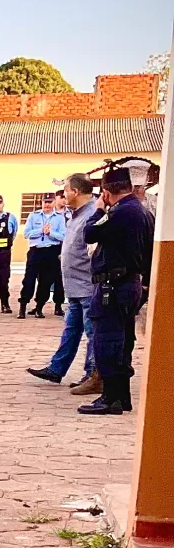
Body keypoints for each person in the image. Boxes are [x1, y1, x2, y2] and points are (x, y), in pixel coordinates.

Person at [79, 166, 155, 416]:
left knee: (108, 342)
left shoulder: (120, 212)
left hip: (114, 286)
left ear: (106, 192)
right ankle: (121, 397)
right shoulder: (142, 212)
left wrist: (99, 209)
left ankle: (110, 398)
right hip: (129, 284)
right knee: (123, 342)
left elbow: (89, 234)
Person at [28, 173, 100, 395]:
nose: (64, 194)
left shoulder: (93, 215)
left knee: (92, 333)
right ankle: (57, 368)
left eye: (66, 190)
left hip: (87, 285)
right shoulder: (75, 215)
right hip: (74, 286)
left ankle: (93, 375)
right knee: (71, 331)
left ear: (76, 192)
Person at [20, 195, 66, 317]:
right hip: (36, 251)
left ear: (54, 202)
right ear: (41, 202)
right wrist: (40, 230)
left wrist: (50, 233)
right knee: (29, 279)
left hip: (51, 251)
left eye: (50, 202)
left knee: (45, 281)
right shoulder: (33, 216)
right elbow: (26, 234)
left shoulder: (59, 218)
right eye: (45, 202)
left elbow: (63, 236)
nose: (47, 204)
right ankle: (23, 306)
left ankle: (39, 307)